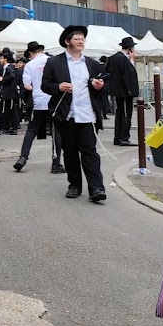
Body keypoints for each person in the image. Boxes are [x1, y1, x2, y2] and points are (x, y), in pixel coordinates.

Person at [42, 25, 108, 202]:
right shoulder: (54, 62)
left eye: (83, 39)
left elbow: (101, 88)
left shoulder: (92, 64)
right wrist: (58, 87)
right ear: (67, 41)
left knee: (90, 152)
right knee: (70, 152)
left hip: (87, 114)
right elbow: (45, 85)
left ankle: (96, 188)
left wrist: (99, 87)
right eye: (77, 39)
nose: (81, 42)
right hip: (67, 114)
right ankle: (75, 185)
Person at [14, 41, 62, 172]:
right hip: (53, 101)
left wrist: (35, 87)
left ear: (30, 53)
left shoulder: (29, 65)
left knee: (31, 130)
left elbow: (27, 85)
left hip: (38, 101)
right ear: (41, 50)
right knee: (55, 131)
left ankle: (23, 158)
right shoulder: (53, 61)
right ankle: (56, 163)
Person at [107, 37, 140, 146]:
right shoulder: (124, 59)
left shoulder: (113, 58)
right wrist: (131, 60)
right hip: (125, 91)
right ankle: (123, 137)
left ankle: (118, 137)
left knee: (119, 113)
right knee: (126, 114)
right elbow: (130, 74)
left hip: (117, 90)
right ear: (130, 48)